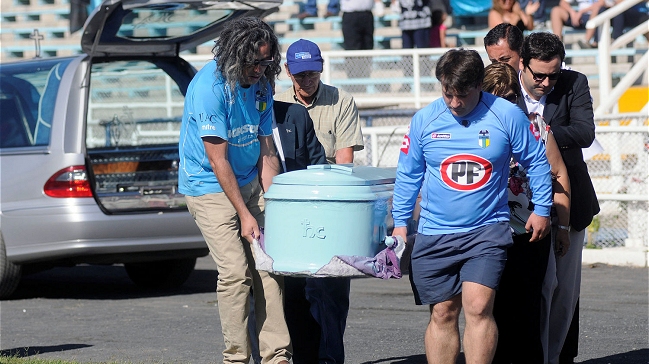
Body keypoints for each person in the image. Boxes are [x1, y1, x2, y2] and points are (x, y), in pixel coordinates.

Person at [391, 48, 553, 364]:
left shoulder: (507, 115)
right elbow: (408, 175)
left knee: (478, 306)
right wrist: (400, 222)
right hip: (435, 233)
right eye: (447, 94)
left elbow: (536, 161)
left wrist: (543, 208)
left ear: (479, 83)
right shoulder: (424, 120)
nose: (454, 103)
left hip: (486, 232)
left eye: (462, 95)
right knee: (443, 312)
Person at [178, 17, 291, 364]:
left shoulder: (262, 85)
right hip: (209, 187)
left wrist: (269, 203)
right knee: (235, 274)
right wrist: (244, 214)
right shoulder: (209, 88)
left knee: (269, 268)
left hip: (249, 180)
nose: (259, 69)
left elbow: (267, 148)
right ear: (233, 55)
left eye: (266, 61)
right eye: (253, 62)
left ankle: (277, 357)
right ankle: (237, 358)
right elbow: (218, 160)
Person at [275, 38, 365, 364]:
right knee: (294, 293)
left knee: (331, 294)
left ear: (322, 67)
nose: (307, 80)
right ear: (288, 72)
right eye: (300, 75)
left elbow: (344, 162)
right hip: (291, 207)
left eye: (312, 72)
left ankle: (330, 358)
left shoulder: (341, 100)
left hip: (329, 203)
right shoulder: (275, 103)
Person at [516, 31, 600, 364]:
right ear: (522, 64)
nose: (547, 82)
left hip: (569, 200)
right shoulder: (503, 88)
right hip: (518, 209)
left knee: (564, 292)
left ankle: (554, 359)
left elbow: (585, 131)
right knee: (533, 290)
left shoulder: (574, 82)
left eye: (554, 74)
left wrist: (537, 132)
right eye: (539, 75)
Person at [482, 62, 572, 364]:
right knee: (489, 311)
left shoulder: (535, 126)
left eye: (507, 96)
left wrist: (562, 227)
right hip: (485, 233)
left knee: (528, 312)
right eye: (491, 96)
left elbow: (559, 174)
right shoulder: (469, 127)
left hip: (529, 232)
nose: (500, 103)